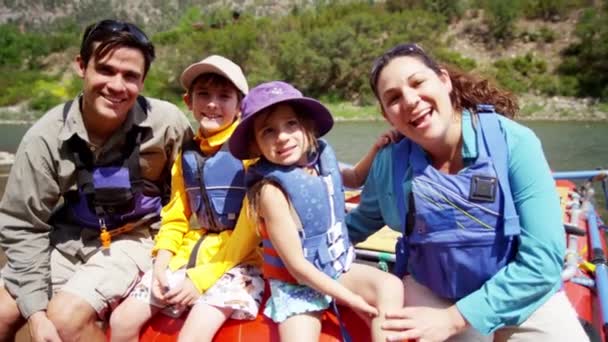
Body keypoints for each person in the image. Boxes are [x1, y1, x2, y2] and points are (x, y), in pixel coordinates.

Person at [346, 43, 589, 342]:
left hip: (520, 294)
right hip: (432, 290)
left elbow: (542, 262)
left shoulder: (513, 142)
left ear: (444, 81)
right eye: (394, 98)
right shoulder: (389, 163)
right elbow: (359, 224)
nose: (410, 101)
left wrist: (455, 319)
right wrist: (288, 251)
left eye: (418, 83)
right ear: (387, 116)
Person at [0, 19, 192, 342]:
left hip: (139, 236)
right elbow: (23, 227)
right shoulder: (45, 139)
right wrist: (33, 313)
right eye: (105, 70)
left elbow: (192, 191)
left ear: (143, 81)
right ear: (81, 67)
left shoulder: (167, 124)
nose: (117, 86)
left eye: (130, 76)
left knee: (64, 318)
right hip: (69, 237)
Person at [228, 81, 404, 342]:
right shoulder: (271, 192)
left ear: (306, 127)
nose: (283, 137)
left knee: (390, 286)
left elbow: (354, 178)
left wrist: (377, 149)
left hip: (336, 267)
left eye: (291, 124)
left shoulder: (320, 159)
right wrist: (352, 300)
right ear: (255, 146)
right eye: (268, 131)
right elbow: (298, 268)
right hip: (297, 286)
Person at [109, 55, 264, 341]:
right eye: (203, 94)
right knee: (121, 322)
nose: (212, 104)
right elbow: (176, 216)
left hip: (239, 261)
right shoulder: (187, 155)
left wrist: (201, 279)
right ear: (188, 101)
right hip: (190, 253)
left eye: (224, 96)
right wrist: (160, 263)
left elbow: (250, 231)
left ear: (240, 104)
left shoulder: (251, 154)